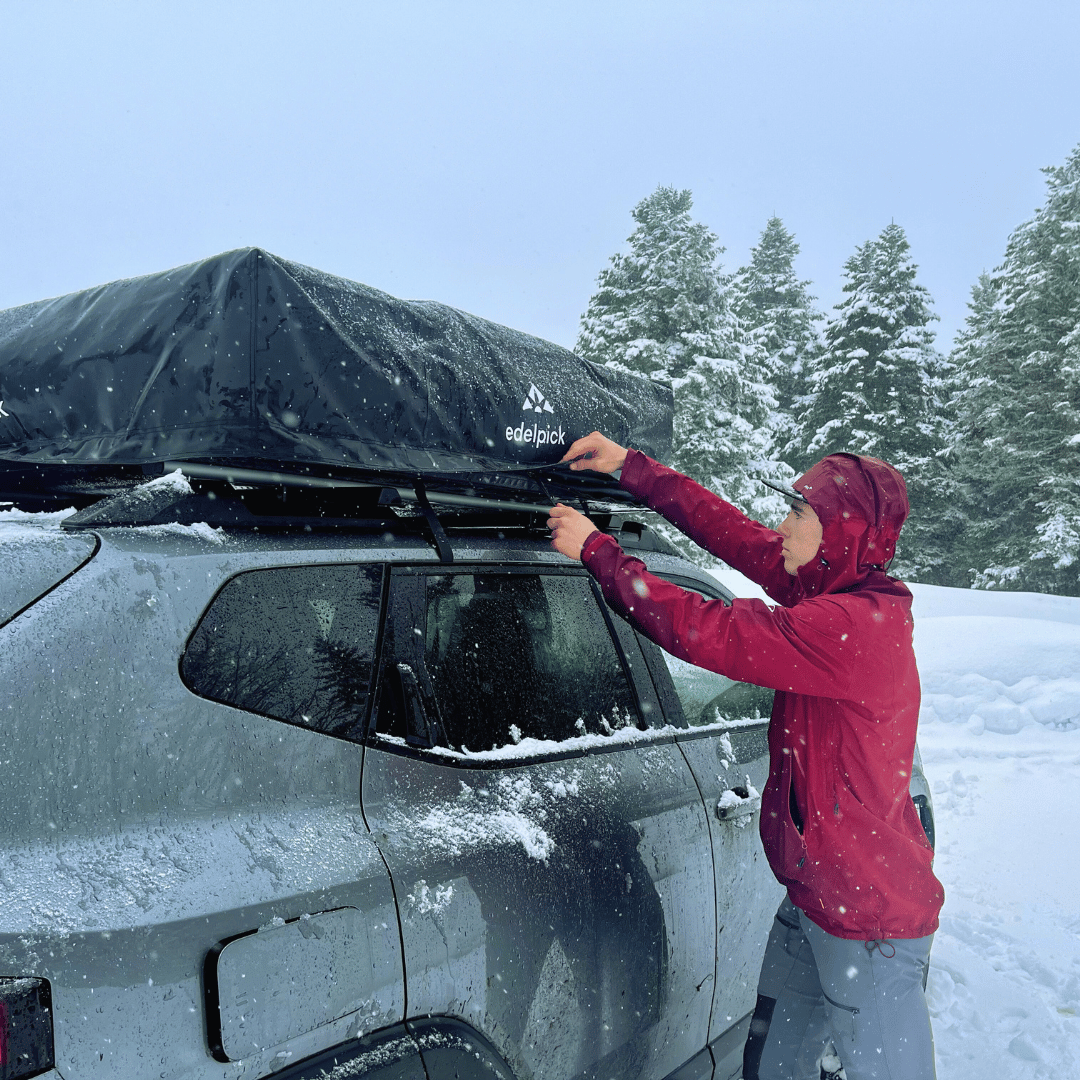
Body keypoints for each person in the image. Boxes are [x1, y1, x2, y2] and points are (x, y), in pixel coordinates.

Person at [547, 432, 944, 1080]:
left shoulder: (852, 628)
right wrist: (630, 468)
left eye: (798, 515)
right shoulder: (825, 583)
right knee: (770, 1066)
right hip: (816, 900)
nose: (780, 527)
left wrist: (598, 551)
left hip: (871, 928)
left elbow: (709, 630)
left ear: (842, 532)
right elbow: (730, 533)